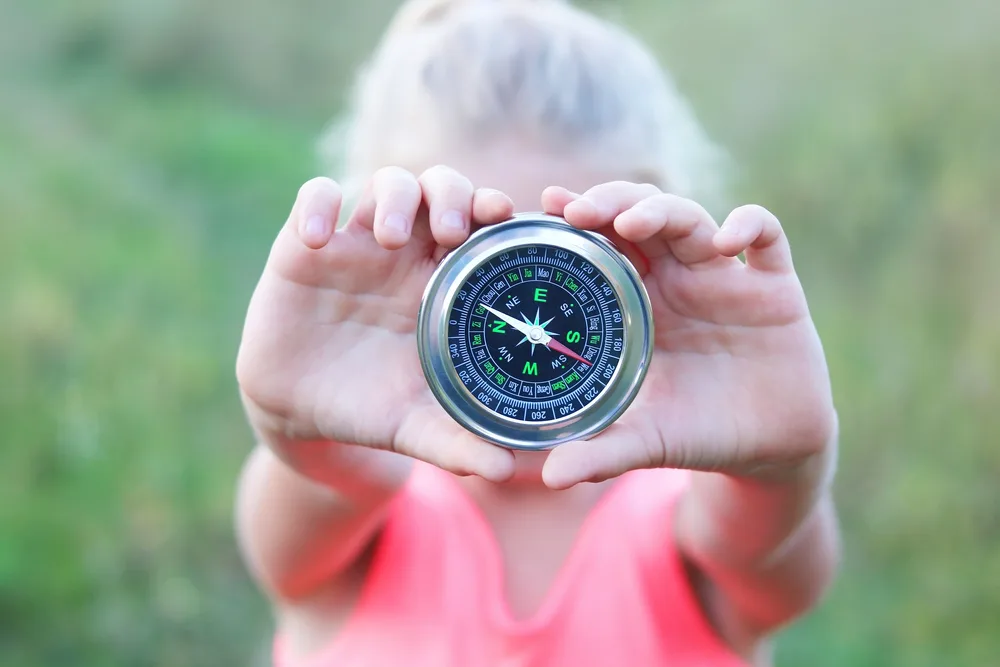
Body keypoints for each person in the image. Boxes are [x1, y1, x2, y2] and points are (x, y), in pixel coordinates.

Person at [234, 0, 841, 665]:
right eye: (466, 264)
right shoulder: (349, 501)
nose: (523, 302)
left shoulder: (693, 515)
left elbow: (769, 557)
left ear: (649, 254)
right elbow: (320, 492)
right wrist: (308, 436)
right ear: (377, 258)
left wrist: (778, 472)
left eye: (566, 259)